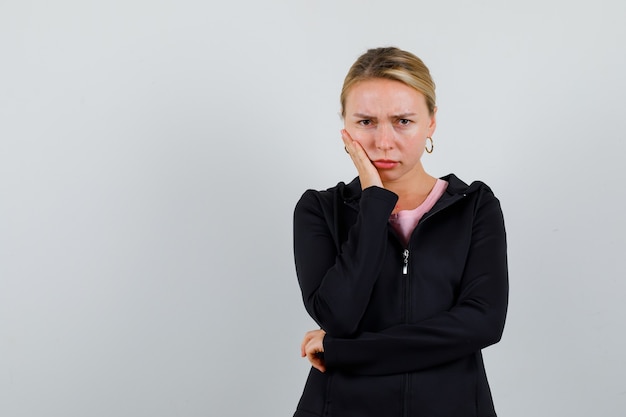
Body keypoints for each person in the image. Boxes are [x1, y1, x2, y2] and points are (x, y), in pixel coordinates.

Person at [292, 47, 508, 417]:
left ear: (431, 122)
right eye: (366, 122)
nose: (383, 142)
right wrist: (374, 202)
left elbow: (482, 323)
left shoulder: (474, 206)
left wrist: (347, 351)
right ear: (345, 124)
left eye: (403, 121)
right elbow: (338, 317)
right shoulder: (319, 209)